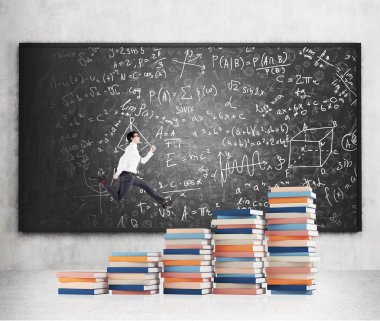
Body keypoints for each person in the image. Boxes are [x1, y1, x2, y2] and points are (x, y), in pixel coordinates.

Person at [97, 131, 172, 209]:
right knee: (118, 198)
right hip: (127, 176)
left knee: (147, 186)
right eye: (137, 136)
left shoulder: (135, 149)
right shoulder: (130, 148)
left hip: (131, 176)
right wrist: (117, 173)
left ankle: (163, 202)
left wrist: (150, 152)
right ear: (131, 138)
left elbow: (142, 161)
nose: (139, 137)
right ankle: (103, 182)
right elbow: (123, 160)